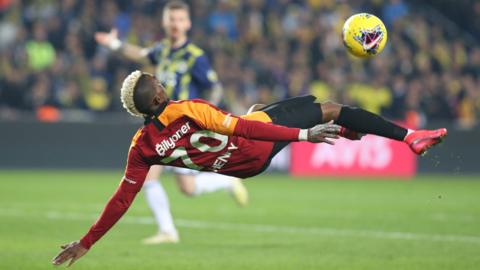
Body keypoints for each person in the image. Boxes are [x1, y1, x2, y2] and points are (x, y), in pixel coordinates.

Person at [52, 71, 447, 267]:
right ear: (156, 95)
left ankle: (347, 130)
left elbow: (122, 198)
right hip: (251, 145)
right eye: (157, 81)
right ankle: (410, 136)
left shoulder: (142, 147)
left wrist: (86, 243)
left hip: (240, 169)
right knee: (328, 107)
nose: (162, 82)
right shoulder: (187, 109)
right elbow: (238, 128)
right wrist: (302, 135)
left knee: (257, 110)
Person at [94, 0, 247, 244]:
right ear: (165, 22)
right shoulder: (162, 50)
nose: (175, 24)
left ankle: (171, 227)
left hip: (184, 127)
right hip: (164, 124)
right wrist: (114, 43)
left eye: (179, 19)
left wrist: (208, 118)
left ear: (187, 23)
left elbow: (214, 88)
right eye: (171, 19)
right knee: (176, 184)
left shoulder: (195, 57)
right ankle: (218, 187)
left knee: (170, 182)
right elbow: (141, 54)